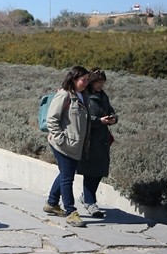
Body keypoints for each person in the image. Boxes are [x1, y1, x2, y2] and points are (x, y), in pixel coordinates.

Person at [44, 66, 91, 228]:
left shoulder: (83, 96)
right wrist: (61, 139)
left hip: (75, 145)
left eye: (87, 79)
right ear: (73, 79)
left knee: (65, 173)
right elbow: (52, 119)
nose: (86, 82)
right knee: (67, 177)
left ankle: (52, 203)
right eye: (83, 79)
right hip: (63, 144)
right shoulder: (64, 95)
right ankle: (71, 212)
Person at [79, 69, 118, 218]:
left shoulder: (103, 96)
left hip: (102, 140)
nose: (101, 85)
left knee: (99, 171)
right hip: (89, 139)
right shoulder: (85, 96)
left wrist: (113, 118)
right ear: (92, 81)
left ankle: (87, 198)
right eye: (98, 82)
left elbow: (110, 110)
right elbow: (84, 118)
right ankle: (90, 202)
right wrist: (98, 121)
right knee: (90, 171)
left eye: (103, 82)